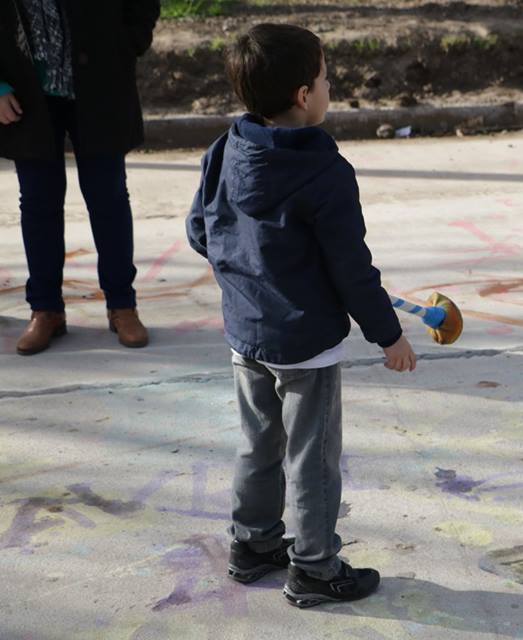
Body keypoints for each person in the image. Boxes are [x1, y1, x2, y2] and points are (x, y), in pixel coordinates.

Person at [185, 23, 418, 607]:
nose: (330, 87)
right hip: (305, 345)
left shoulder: (225, 148)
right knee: (311, 458)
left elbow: (200, 230)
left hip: (245, 333)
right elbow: (351, 269)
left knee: (257, 443)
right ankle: (314, 568)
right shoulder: (324, 171)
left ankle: (253, 544)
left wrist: (247, 273)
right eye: (325, 78)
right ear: (303, 95)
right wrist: (389, 335)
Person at [0, 0, 158, 354]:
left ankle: (122, 305)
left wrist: (127, 44)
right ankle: (46, 309)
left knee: (108, 197)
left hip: (100, 81)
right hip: (26, 90)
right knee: (38, 202)